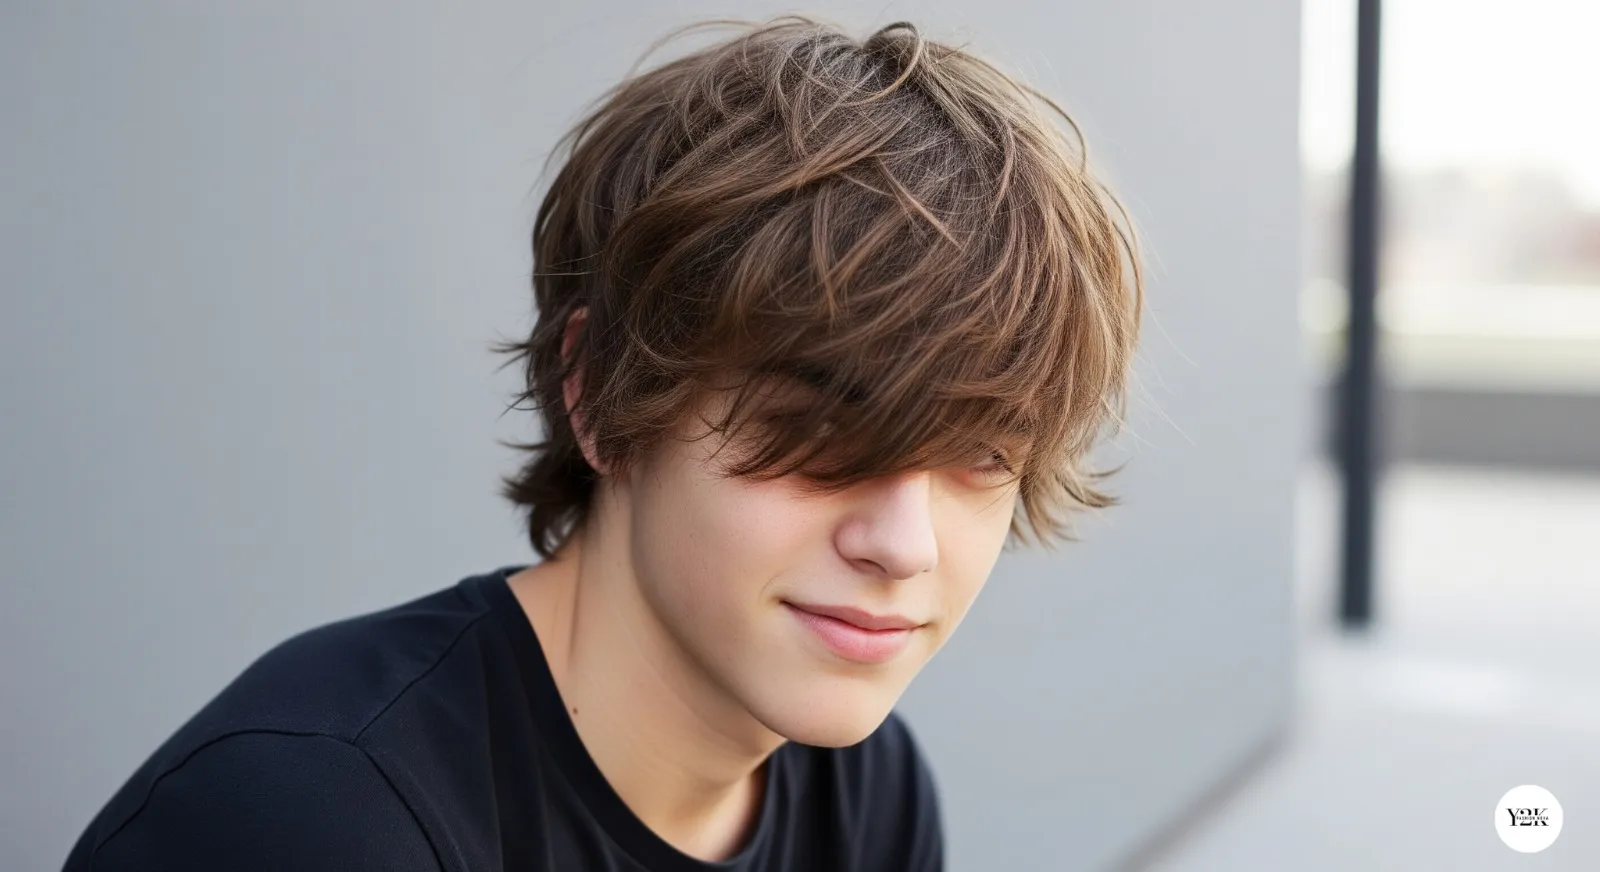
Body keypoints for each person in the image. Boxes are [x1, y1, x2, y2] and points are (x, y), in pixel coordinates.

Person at [62, 14, 1142, 872]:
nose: (904, 542)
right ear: (597, 389)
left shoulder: (865, 791)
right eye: (822, 425)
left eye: (985, 452)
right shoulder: (312, 817)